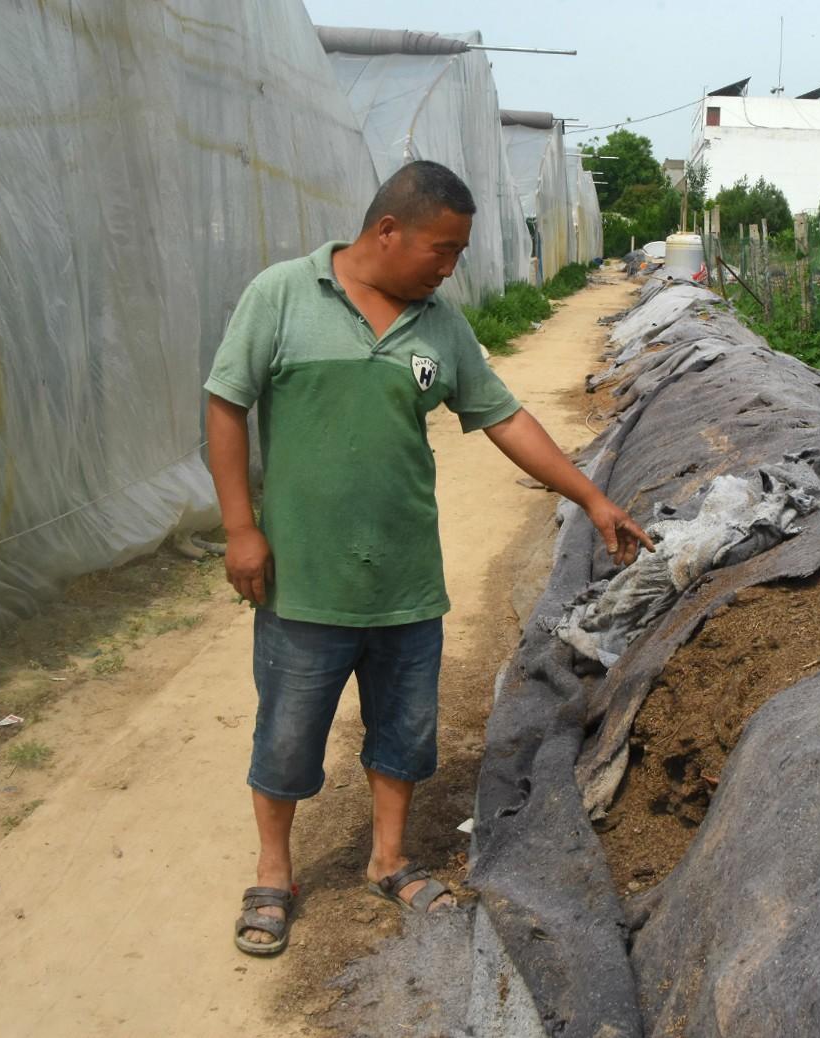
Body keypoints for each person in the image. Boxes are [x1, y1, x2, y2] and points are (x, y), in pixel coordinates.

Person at [203, 160, 654, 955]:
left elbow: (504, 418)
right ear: (387, 232)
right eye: (440, 250)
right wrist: (242, 526)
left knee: (404, 733)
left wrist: (590, 496)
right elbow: (226, 405)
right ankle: (274, 873)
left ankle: (389, 859)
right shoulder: (281, 295)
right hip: (302, 580)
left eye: (458, 254)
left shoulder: (440, 325)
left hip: (406, 581)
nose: (449, 267)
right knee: (285, 735)